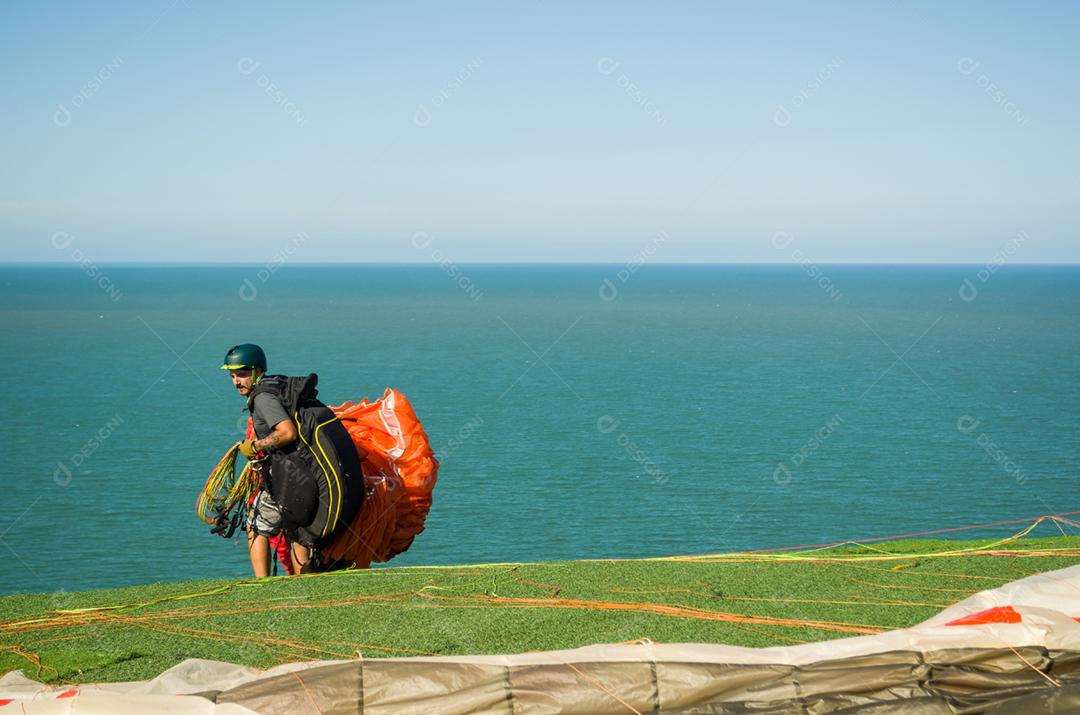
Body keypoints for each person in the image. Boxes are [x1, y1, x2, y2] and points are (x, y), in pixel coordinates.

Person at [221, 343, 364, 575]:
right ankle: (302, 585)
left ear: (258, 371)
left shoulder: (263, 398)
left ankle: (261, 584)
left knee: (256, 525)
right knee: (298, 533)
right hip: (307, 473)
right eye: (232, 376)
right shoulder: (278, 386)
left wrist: (255, 446)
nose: (237, 382)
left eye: (242, 374)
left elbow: (287, 433)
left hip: (292, 476)